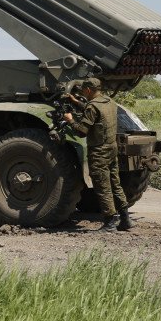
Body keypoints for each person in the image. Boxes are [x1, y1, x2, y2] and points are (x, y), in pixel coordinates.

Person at [63, 77, 133, 232]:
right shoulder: (109, 102)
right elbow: (93, 112)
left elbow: (82, 131)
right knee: (115, 182)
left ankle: (110, 221)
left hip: (99, 151)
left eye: (84, 92)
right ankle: (125, 218)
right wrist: (75, 101)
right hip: (111, 148)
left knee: (102, 185)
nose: (83, 94)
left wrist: (70, 120)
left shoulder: (92, 107)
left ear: (88, 90)